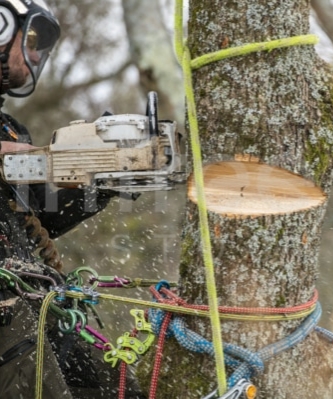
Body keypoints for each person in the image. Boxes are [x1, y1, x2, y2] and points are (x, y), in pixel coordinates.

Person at [0, 1, 142, 397]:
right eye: (27, 41)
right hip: (8, 315)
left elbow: (39, 212)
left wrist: (98, 178)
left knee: (114, 385)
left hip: (32, 299)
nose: (33, 55)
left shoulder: (10, 130)